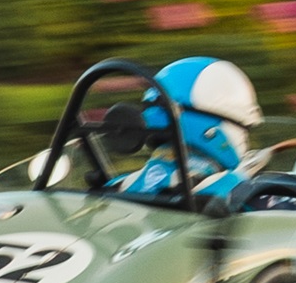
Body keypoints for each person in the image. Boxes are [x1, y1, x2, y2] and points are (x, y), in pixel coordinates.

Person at [112, 53, 268, 204]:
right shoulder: (231, 193)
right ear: (212, 128)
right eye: (243, 130)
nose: (243, 138)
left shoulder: (122, 185)